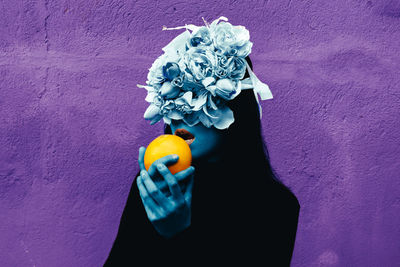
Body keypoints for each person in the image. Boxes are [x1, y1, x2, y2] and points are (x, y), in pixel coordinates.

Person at [104, 17, 300, 266]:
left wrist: (176, 234)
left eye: (195, 99)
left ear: (235, 109)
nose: (180, 118)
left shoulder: (276, 208)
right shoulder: (157, 187)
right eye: (173, 103)